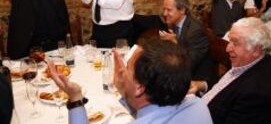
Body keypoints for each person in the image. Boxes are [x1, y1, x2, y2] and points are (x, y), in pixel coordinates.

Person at [48, 39, 213, 124]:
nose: (122, 71)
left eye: (127, 67)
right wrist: (124, 90)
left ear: (140, 87)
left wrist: (75, 98)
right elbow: (151, 114)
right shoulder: (198, 106)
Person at [189, 17, 271, 124]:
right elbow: (226, 85)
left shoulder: (257, 93)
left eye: (235, 43)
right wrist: (202, 85)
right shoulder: (248, 62)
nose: (227, 48)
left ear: (256, 50)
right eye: (230, 40)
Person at [159, 0, 214, 83]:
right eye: (164, 9)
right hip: (178, 69)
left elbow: (190, 62)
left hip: (196, 78)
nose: (165, 14)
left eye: (169, 10)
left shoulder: (196, 31)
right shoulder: (173, 24)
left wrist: (174, 43)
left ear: (182, 10)